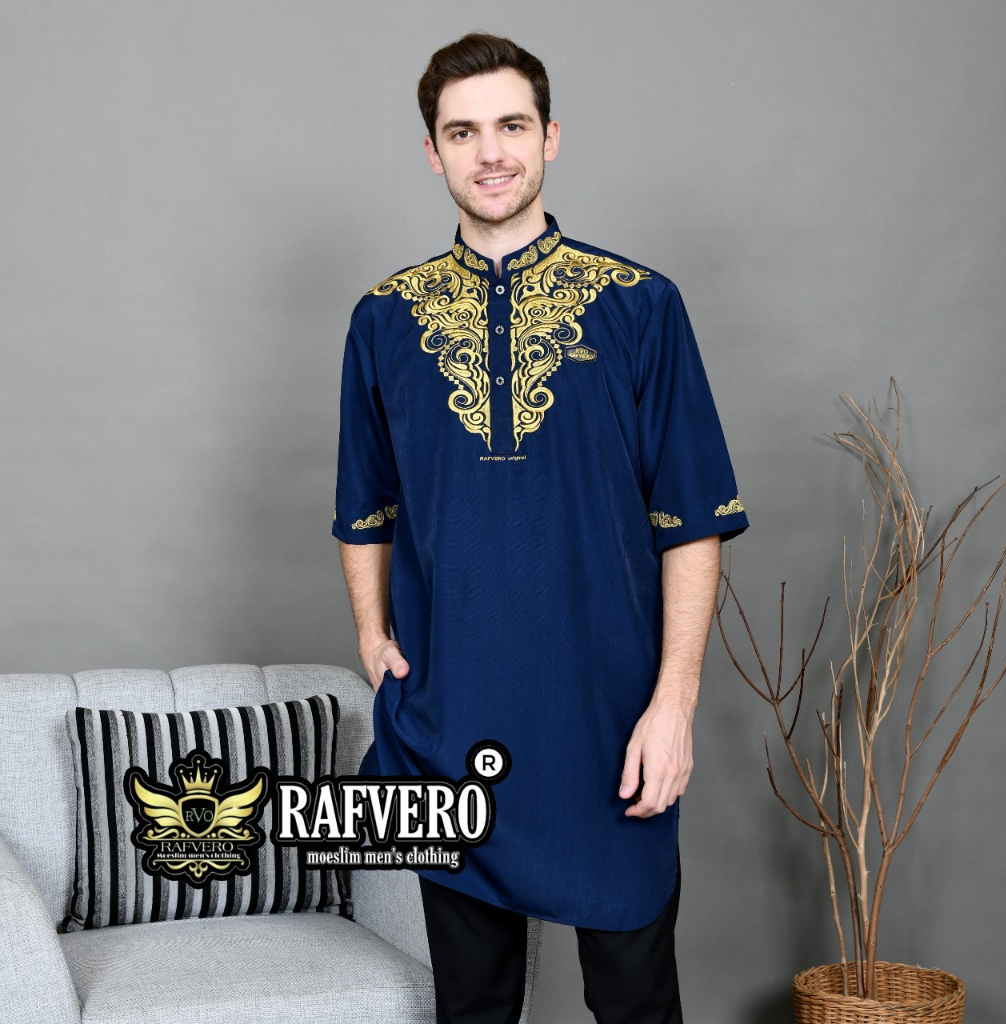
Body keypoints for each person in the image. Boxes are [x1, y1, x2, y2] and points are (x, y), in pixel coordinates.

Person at [333, 31, 750, 1024]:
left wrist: (674, 705)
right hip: (447, 721)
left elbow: (690, 520)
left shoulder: (641, 306)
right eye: (462, 132)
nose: (490, 153)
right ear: (431, 152)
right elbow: (364, 504)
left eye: (511, 126)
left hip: (610, 719)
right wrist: (372, 637)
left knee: (636, 1003)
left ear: (550, 137)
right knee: (473, 1005)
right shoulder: (384, 318)